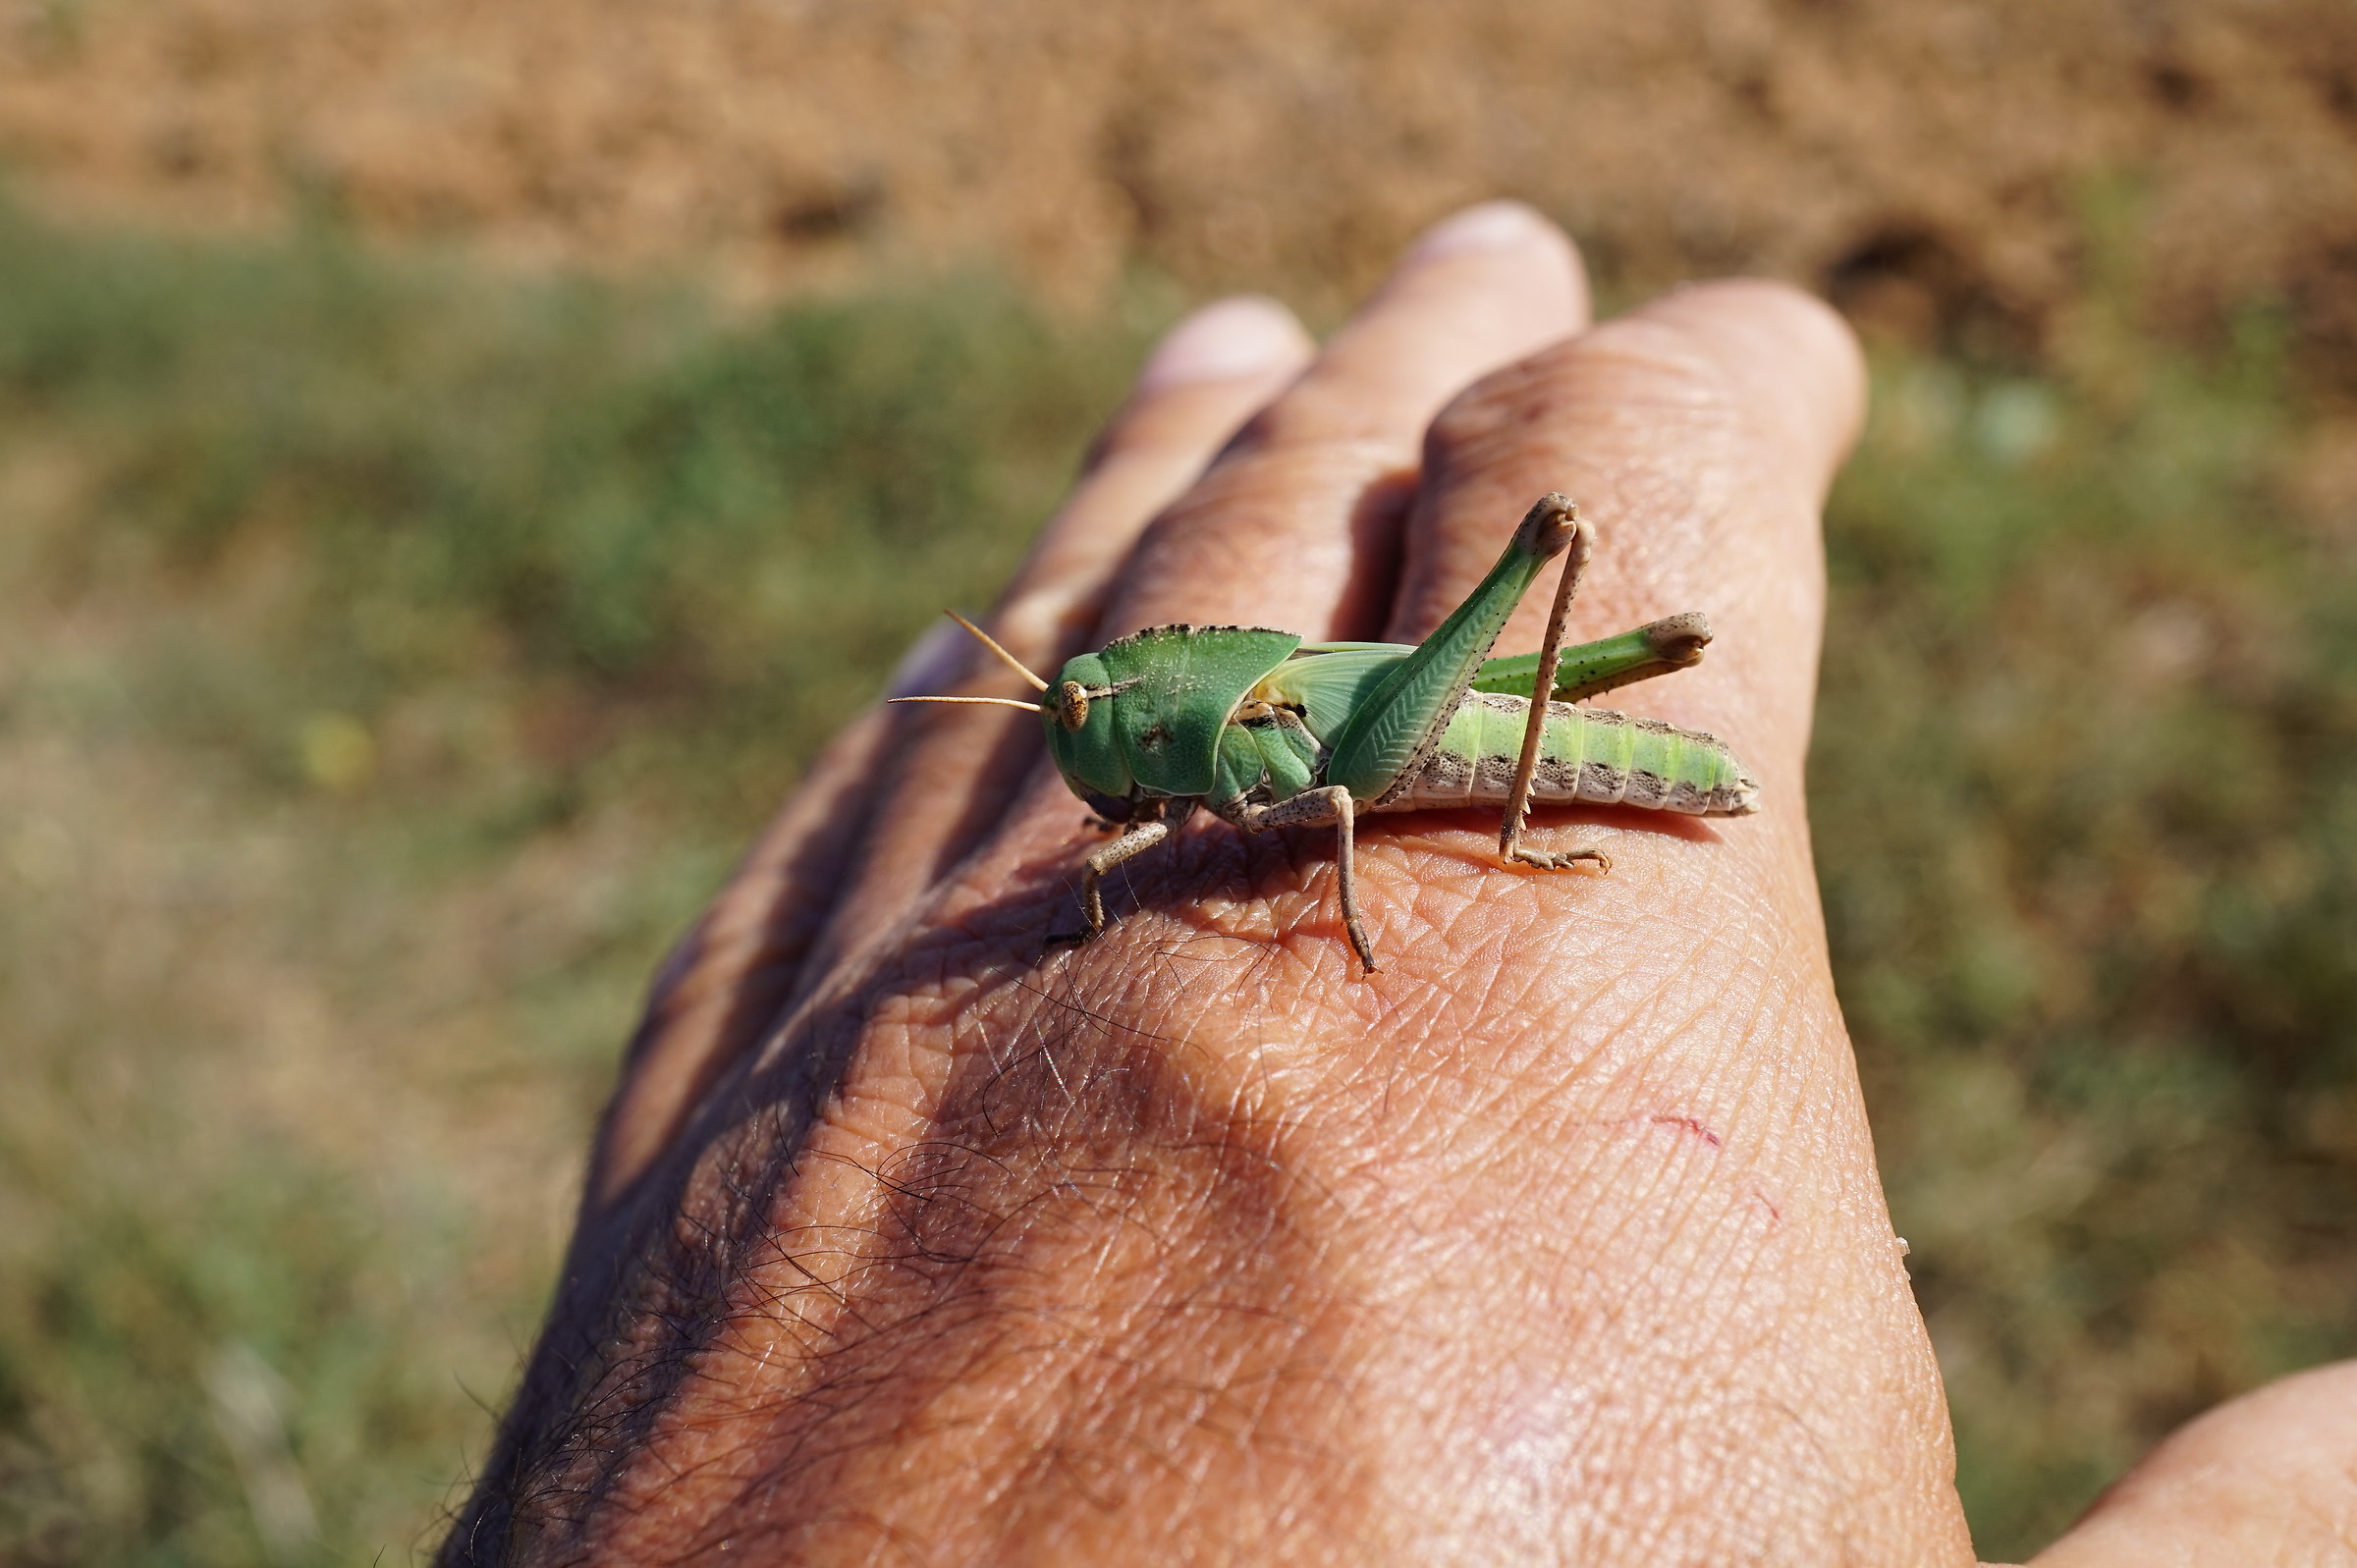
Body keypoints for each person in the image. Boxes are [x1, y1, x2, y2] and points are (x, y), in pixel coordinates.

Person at [443, 202, 2357, 1566]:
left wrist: (1455, 842)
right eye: (1085, 720)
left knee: (1388, 745)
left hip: (1452, 740)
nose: (1089, 741)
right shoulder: (1142, 741)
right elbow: (1139, 820)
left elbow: (1324, 798)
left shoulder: (1239, 734)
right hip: (1374, 719)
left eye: (1100, 714)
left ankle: (1524, 790)